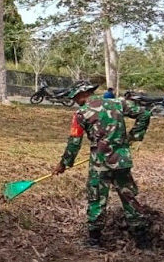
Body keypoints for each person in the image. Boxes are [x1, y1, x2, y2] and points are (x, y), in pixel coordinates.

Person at [53, 81, 151, 249]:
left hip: (100, 164)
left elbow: (74, 143)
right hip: (121, 161)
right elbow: (144, 114)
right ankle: (142, 241)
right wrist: (134, 136)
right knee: (129, 198)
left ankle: (94, 241)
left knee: (96, 199)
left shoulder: (81, 114)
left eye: (76, 97)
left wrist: (64, 163)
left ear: (83, 94)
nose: (75, 100)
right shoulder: (117, 102)